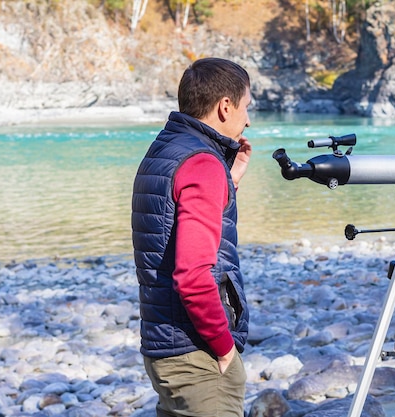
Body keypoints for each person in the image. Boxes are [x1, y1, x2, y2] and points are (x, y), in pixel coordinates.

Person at [131, 57, 252, 417]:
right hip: (196, 353)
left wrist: (228, 181)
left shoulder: (165, 150)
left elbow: (170, 218)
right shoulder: (202, 163)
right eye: (246, 107)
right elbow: (193, 276)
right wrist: (224, 347)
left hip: (163, 346)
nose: (248, 119)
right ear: (225, 107)